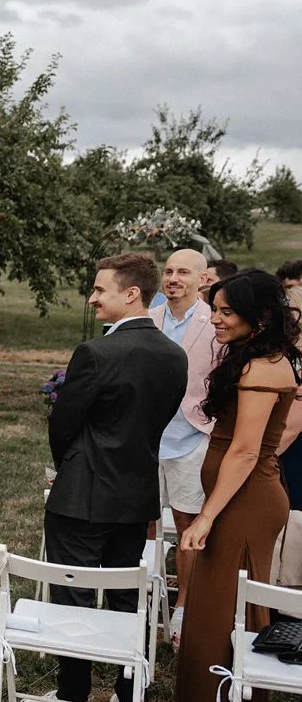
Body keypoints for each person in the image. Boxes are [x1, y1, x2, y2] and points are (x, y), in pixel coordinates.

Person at [22, 252, 186, 702]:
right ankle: (128, 698)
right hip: (136, 495)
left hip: (82, 496)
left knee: (73, 596)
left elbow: (63, 425)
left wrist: (71, 470)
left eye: (99, 289)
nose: (92, 298)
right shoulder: (174, 356)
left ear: (131, 293)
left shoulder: (96, 353)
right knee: (125, 596)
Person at [175, 270, 300, 702]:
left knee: (229, 609)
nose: (216, 319)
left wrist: (205, 517)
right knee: (220, 603)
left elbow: (246, 451)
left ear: (260, 316)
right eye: (215, 309)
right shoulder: (251, 358)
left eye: (227, 311)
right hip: (235, 497)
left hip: (247, 503)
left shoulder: (264, 368)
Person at [148, 249, 217, 646]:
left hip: (191, 438)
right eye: (169, 271)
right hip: (148, 438)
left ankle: (183, 609)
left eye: (183, 272)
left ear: (202, 279)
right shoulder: (149, 318)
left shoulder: (215, 321)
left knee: (188, 527)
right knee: (143, 522)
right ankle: (145, 599)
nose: (173, 278)